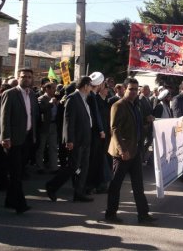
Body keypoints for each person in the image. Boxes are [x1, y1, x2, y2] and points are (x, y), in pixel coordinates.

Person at [105, 78, 156, 224]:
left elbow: (137, 125)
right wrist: (122, 150)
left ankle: (143, 215)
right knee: (116, 184)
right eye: (131, 89)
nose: (134, 92)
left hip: (135, 152)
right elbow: (114, 129)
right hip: (123, 153)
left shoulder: (136, 105)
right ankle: (110, 214)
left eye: (136, 89)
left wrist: (147, 120)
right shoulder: (118, 105)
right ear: (124, 89)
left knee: (138, 186)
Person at [45, 76, 94, 202]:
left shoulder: (84, 98)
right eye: (90, 85)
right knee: (72, 166)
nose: (91, 88)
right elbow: (68, 121)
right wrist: (69, 140)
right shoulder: (73, 98)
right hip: (76, 140)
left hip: (86, 138)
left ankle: (79, 193)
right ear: (85, 86)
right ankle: (52, 186)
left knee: (84, 167)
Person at [0, 68, 39, 214]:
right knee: (16, 173)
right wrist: (5, 137)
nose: (27, 79)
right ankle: (20, 204)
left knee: (19, 171)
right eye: (24, 77)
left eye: (29, 77)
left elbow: (33, 116)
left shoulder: (32, 95)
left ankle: (9, 200)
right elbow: (4, 117)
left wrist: (34, 135)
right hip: (13, 140)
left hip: (27, 138)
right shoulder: (10, 94)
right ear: (18, 78)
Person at [36, 82, 59, 174]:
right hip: (44, 126)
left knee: (53, 147)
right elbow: (41, 110)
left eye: (55, 88)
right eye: (53, 88)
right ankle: (40, 167)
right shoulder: (41, 98)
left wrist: (58, 104)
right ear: (47, 89)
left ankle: (54, 167)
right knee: (41, 147)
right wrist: (50, 103)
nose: (55, 90)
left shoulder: (55, 98)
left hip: (53, 125)